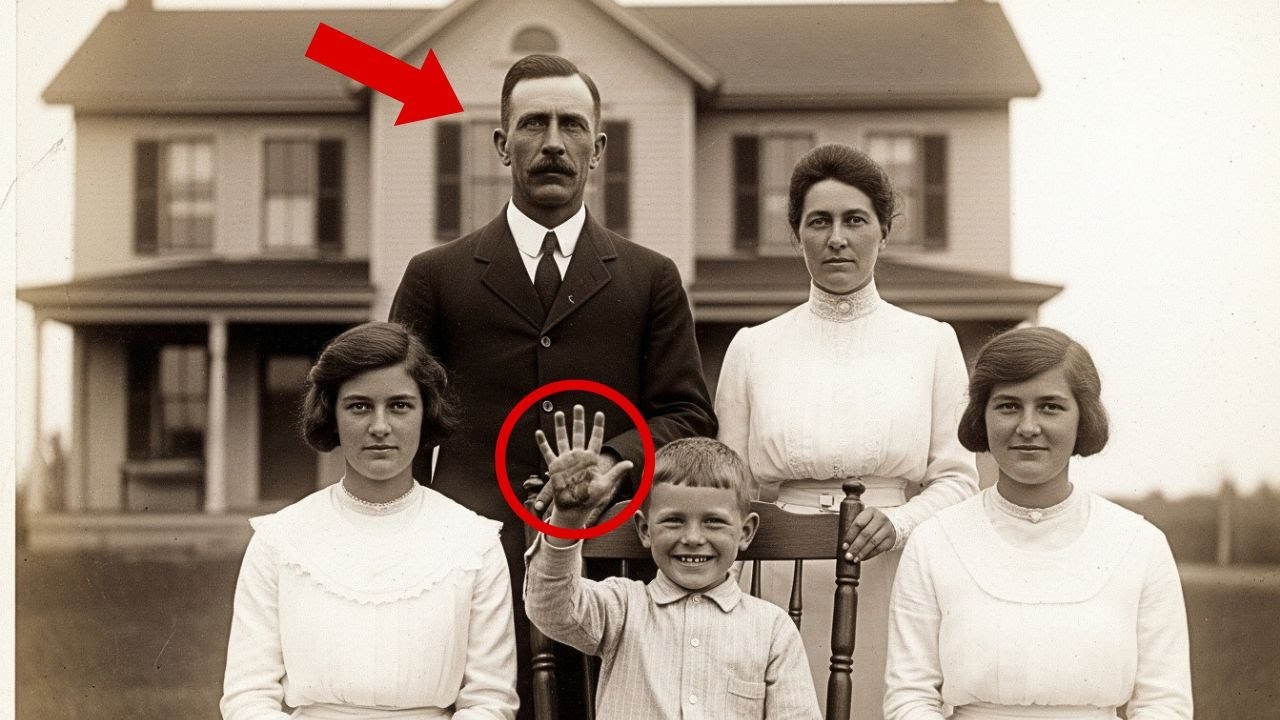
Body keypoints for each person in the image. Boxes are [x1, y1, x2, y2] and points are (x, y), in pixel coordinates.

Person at [389, 53, 715, 713]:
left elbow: (687, 415)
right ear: (503, 146)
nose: (553, 142)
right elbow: (399, 416)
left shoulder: (649, 277)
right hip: (470, 564)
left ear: (597, 150)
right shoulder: (436, 275)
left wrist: (612, 464)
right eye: (534, 125)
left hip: (610, 562)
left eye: (572, 126)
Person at [715, 143, 979, 716]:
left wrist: (899, 521)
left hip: (893, 573)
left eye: (855, 220)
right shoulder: (752, 348)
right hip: (778, 582)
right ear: (797, 235)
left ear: (883, 231)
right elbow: (726, 492)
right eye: (819, 221)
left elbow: (958, 482)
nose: (837, 237)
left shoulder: (931, 342)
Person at [884, 327, 1192, 720]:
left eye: (1050, 407)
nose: (1028, 427)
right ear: (982, 417)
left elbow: (1164, 704)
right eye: (1009, 406)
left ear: (1084, 418)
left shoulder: (1140, 544)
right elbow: (909, 699)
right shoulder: (934, 542)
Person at [220, 322, 518, 720]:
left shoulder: (472, 542)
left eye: (399, 405)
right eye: (359, 406)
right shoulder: (280, 540)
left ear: (425, 412)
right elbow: (248, 697)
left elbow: (490, 700)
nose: (380, 427)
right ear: (332, 415)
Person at [525, 407, 821, 719]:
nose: (693, 537)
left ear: (745, 532)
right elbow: (551, 609)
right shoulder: (622, 608)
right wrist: (568, 519)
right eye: (674, 521)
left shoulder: (771, 628)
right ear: (644, 529)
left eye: (713, 522)